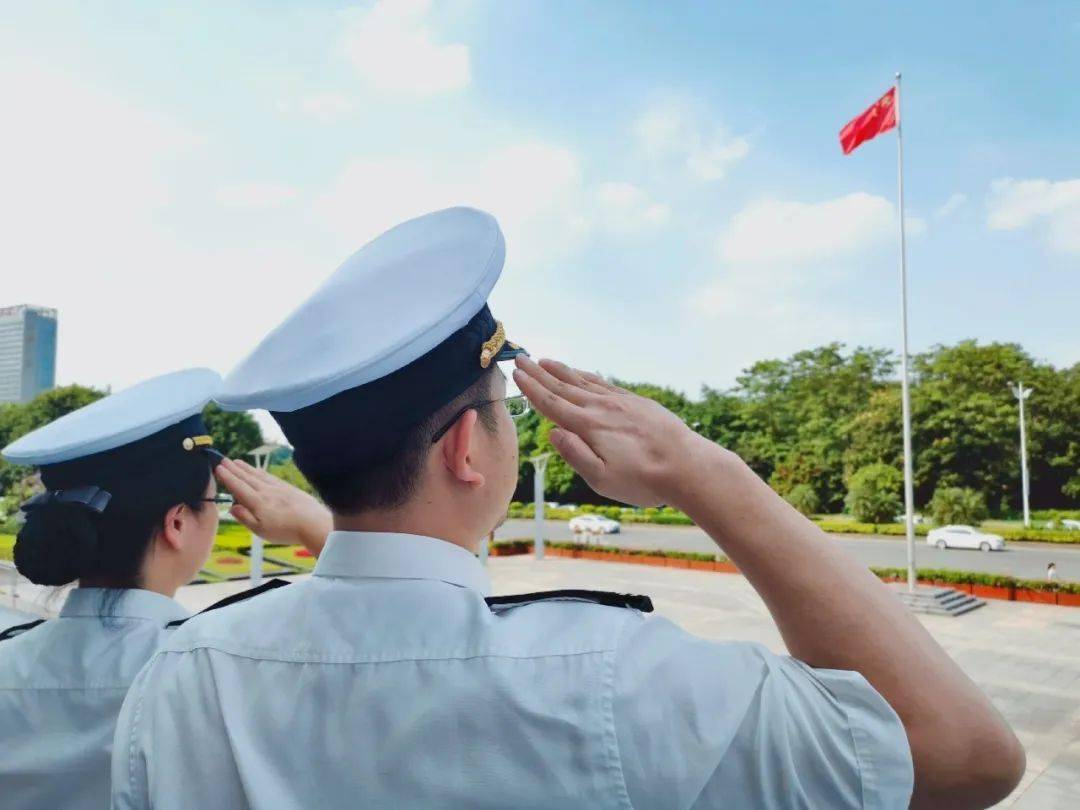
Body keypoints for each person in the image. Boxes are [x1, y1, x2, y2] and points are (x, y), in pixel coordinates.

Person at [111, 207, 1024, 809]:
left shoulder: (184, 674)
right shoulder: (617, 677)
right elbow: (966, 757)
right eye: (503, 411)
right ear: (468, 450)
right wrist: (709, 473)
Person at [0, 368, 328, 810]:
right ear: (176, 523)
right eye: (215, 502)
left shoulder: (9, 660)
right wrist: (317, 525)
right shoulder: (227, 667)